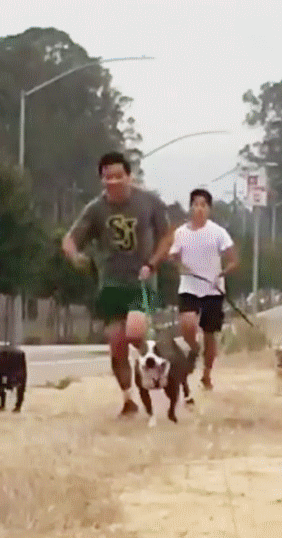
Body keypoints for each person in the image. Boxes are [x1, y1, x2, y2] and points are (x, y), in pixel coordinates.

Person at [62, 151, 176, 418]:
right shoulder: (96, 209)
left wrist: (154, 263)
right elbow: (70, 239)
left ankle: (160, 361)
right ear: (101, 179)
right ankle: (128, 399)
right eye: (107, 177)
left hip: (141, 280)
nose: (113, 182)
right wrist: (75, 256)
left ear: (129, 176)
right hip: (111, 283)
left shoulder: (149, 202)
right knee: (116, 342)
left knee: (135, 332)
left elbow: (167, 237)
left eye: (118, 176)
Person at [169, 188, 238, 390]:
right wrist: (179, 264)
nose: (199, 209)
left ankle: (207, 374)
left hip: (212, 290)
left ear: (209, 209)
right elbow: (173, 256)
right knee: (187, 325)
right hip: (189, 287)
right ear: (190, 208)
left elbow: (233, 260)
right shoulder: (181, 233)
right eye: (195, 204)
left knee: (210, 334)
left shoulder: (219, 233)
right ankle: (193, 347)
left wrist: (222, 274)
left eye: (203, 205)